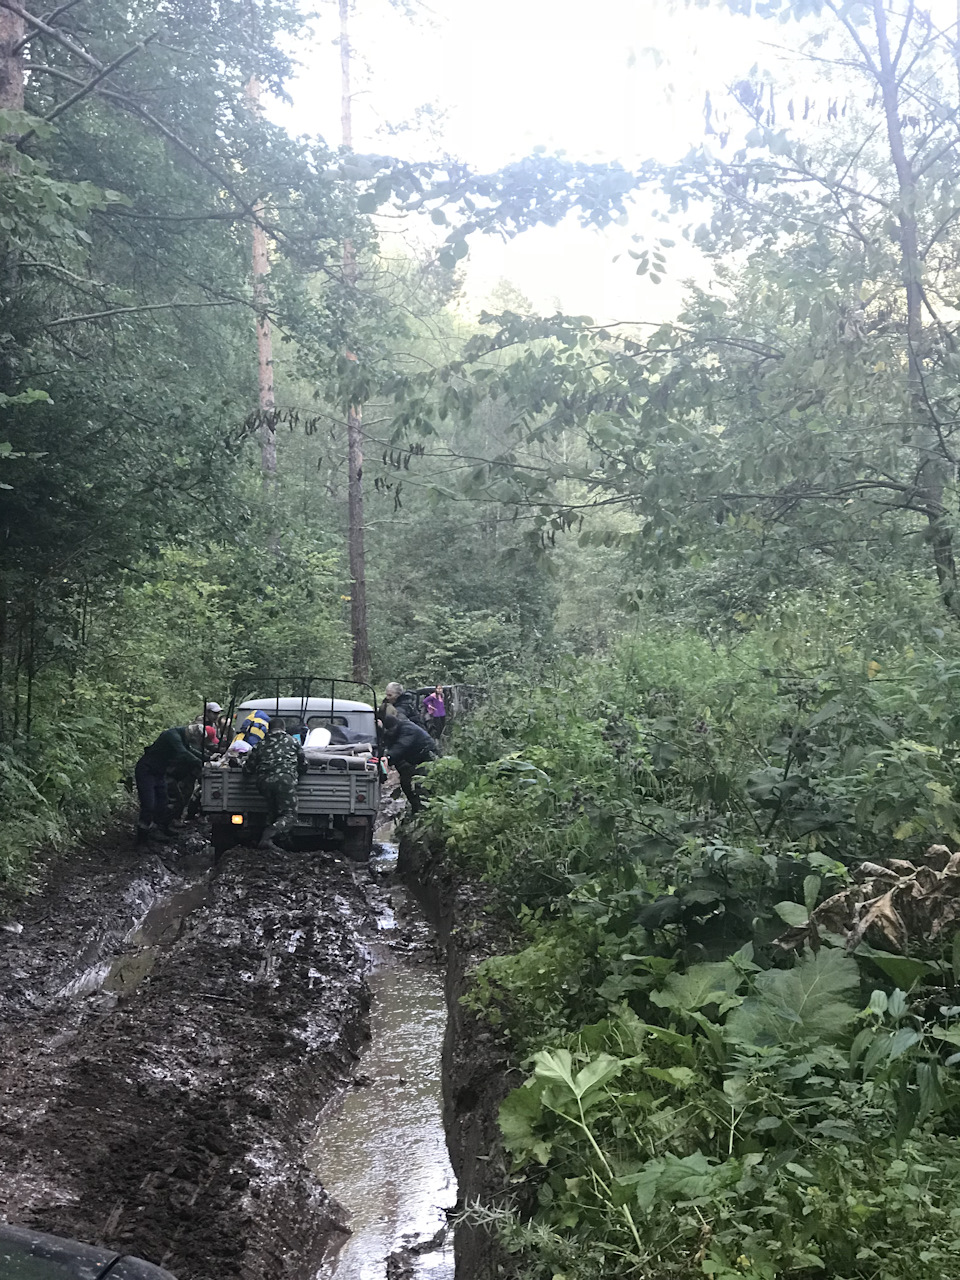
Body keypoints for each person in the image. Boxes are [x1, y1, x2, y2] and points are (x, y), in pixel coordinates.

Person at [242, 717, 308, 850]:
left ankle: (274, 843)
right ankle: (268, 835)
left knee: (274, 812)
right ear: (284, 728)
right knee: (289, 815)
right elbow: (303, 765)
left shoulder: (260, 744)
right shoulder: (293, 741)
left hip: (263, 783)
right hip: (284, 781)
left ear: (268, 729)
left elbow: (248, 769)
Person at [134, 723, 204, 845]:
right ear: (191, 734)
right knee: (149, 804)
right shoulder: (172, 735)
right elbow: (183, 752)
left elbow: (189, 750)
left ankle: (159, 829)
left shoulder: (182, 736)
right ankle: (142, 839)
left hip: (159, 772)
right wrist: (199, 762)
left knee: (163, 802)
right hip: (147, 770)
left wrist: (207, 758)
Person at [381, 711, 438, 813]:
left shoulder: (407, 729)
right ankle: (417, 809)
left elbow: (401, 745)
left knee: (422, 785)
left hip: (427, 758)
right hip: (412, 759)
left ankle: (424, 811)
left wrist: (388, 757)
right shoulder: (394, 731)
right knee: (406, 783)